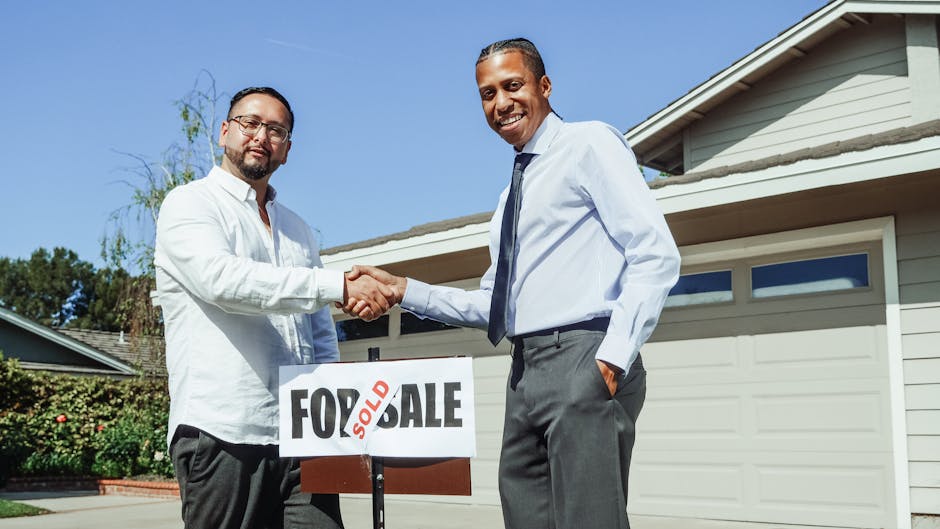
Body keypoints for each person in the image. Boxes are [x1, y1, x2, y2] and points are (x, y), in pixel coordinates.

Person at [344, 39, 680, 529]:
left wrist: (611, 359)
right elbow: (494, 305)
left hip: (583, 357)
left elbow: (655, 253)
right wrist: (402, 290)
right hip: (524, 370)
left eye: (512, 86)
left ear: (544, 86)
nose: (500, 102)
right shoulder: (509, 197)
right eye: (488, 94)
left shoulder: (589, 143)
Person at [154, 86, 396, 529]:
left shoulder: (298, 229)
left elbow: (319, 331)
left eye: (276, 130)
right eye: (250, 123)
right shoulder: (189, 203)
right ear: (225, 131)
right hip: (223, 431)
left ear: (286, 149)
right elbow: (223, 282)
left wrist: (331, 416)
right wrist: (338, 285)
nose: (261, 136)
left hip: (304, 435)